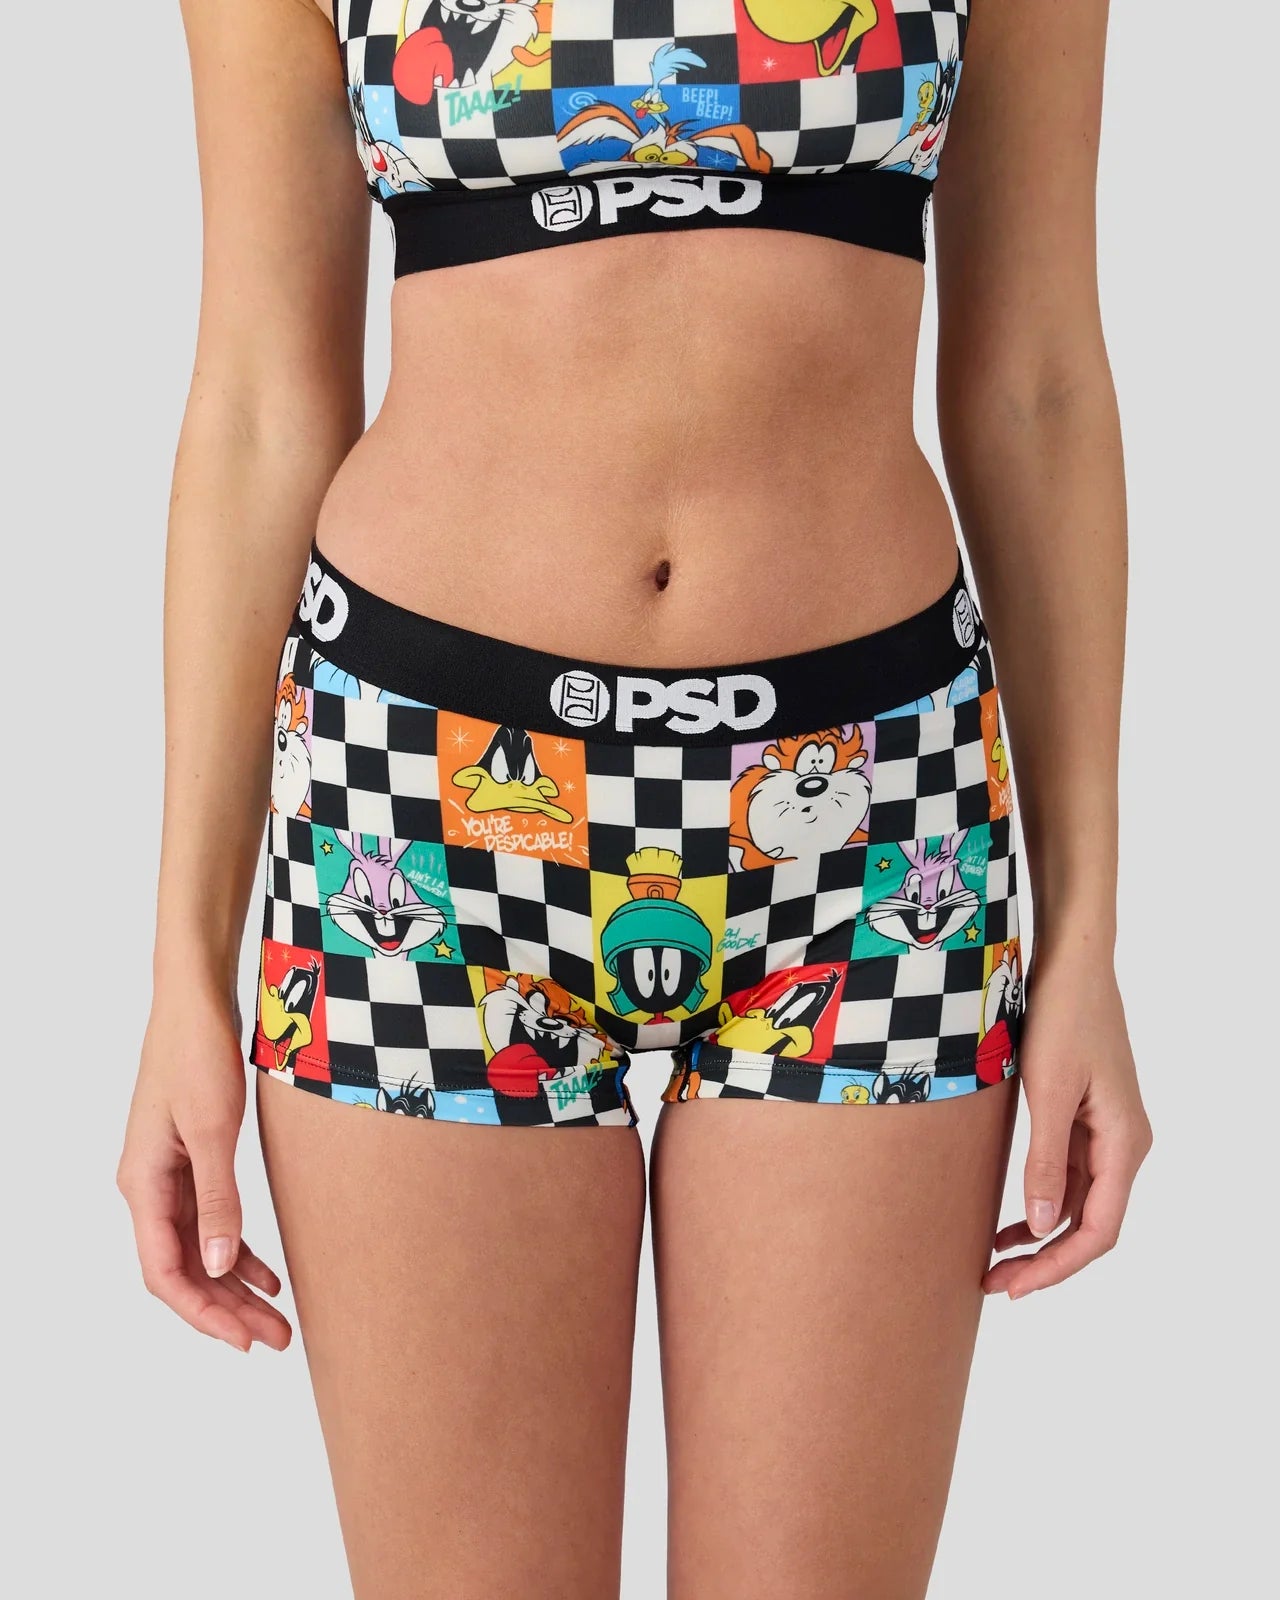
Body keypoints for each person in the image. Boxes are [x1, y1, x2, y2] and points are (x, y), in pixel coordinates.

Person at [117, 2, 1152, 1595]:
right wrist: (182, 971)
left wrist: (1086, 936)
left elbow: (1037, 389)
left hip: (880, 827)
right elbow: (261, 399)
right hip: (418, 821)